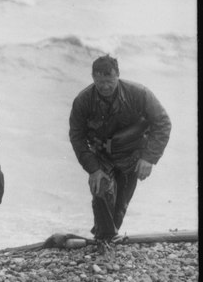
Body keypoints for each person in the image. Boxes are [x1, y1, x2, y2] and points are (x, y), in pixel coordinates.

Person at [69, 54, 171, 252]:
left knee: (120, 206)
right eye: (99, 82)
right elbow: (77, 137)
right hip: (102, 155)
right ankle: (104, 239)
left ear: (118, 76)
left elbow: (163, 123)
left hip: (132, 153)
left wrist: (149, 158)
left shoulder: (139, 93)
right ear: (92, 78)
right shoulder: (83, 101)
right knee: (101, 190)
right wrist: (93, 169)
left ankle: (107, 236)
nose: (105, 86)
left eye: (109, 81)